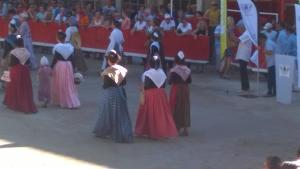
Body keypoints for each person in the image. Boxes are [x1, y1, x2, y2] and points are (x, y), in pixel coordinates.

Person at [93, 50, 133, 143]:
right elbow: (124, 82)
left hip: (110, 93)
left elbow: (106, 85)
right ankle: (123, 132)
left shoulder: (107, 71)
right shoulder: (122, 69)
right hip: (120, 92)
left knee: (106, 112)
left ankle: (105, 130)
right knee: (121, 113)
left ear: (109, 61)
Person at [135, 55, 178, 139]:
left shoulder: (147, 74)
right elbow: (164, 85)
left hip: (149, 95)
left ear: (150, 63)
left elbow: (145, 85)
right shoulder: (162, 73)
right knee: (162, 113)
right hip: (161, 95)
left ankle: (148, 131)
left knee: (148, 113)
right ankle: (162, 130)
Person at [3, 35, 37, 114]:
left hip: (15, 71)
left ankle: (14, 103)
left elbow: (11, 64)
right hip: (25, 71)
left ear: (16, 44)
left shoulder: (14, 52)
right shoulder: (26, 51)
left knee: (14, 87)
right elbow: (28, 63)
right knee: (24, 87)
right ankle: (24, 103)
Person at [51, 31, 80, 109]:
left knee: (60, 83)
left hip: (60, 66)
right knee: (68, 83)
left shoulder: (57, 47)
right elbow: (72, 59)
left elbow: (55, 59)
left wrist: (51, 67)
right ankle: (70, 99)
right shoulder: (70, 47)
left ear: (57, 38)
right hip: (69, 65)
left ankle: (61, 100)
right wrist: (74, 68)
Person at [169, 51, 192, 136]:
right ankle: (185, 128)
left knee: (176, 107)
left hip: (176, 89)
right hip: (185, 89)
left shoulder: (174, 70)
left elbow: (170, 82)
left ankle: (177, 127)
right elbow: (190, 81)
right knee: (185, 107)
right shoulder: (187, 70)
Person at [235, 24, 252, 95]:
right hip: (242, 55)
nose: (239, 30)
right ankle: (246, 87)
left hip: (244, 56)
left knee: (243, 72)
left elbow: (237, 40)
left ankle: (244, 88)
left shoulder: (247, 33)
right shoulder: (246, 33)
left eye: (239, 28)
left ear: (242, 28)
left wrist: (229, 33)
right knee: (243, 72)